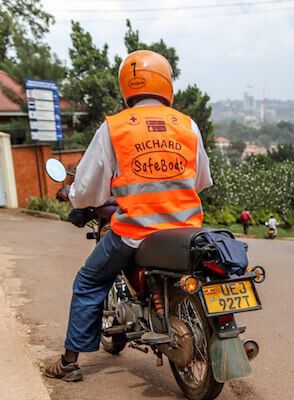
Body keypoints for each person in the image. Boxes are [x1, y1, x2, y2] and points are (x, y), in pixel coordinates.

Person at [44, 50, 212, 382]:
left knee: (89, 281)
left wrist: (70, 193)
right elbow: (201, 181)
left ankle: (68, 362)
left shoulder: (115, 128)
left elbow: (89, 191)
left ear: (126, 87)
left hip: (136, 232)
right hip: (185, 232)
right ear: (166, 84)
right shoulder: (187, 125)